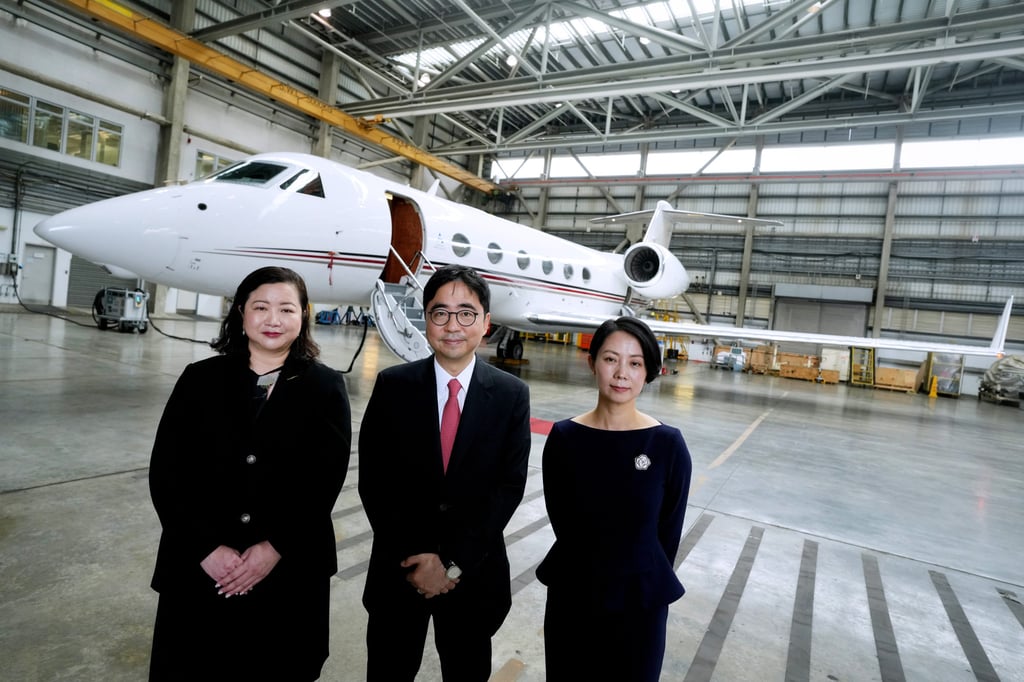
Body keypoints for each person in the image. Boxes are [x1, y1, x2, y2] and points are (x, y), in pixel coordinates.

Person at [147, 266, 352, 681]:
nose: (273, 319)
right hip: (201, 569)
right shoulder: (199, 379)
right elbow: (168, 473)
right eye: (260, 307)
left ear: (304, 315)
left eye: (286, 308)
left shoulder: (326, 388)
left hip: (288, 571)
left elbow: (323, 483)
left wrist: (273, 547)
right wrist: (206, 548)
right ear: (241, 313)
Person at [358, 264, 531, 682]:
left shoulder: (511, 394)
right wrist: (418, 561)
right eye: (440, 313)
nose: (453, 325)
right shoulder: (393, 386)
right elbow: (374, 481)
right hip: (400, 572)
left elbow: (508, 488)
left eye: (466, 313)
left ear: (486, 323)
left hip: (472, 576)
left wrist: (451, 565)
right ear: (426, 319)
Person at [536, 316, 693, 682]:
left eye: (635, 363)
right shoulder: (564, 438)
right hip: (573, 597)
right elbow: (562, 519)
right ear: (592, 363)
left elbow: (667, 535)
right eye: (611, 359)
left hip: (640, 604)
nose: (622, 373)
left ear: (648, 371)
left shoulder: (667, 445)